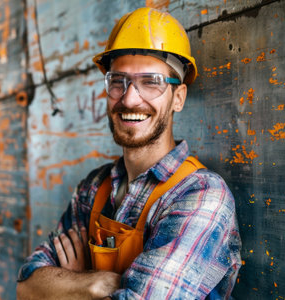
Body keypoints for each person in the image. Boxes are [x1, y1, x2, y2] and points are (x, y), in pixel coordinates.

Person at [17, 7, 241, 300]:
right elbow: (25, 287)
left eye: (151, 82)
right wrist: (94, 285)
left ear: (179, 98)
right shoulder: (94, 188)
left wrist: (67, 285)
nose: (130, 98)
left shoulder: (201, 196)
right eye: (118, 81)